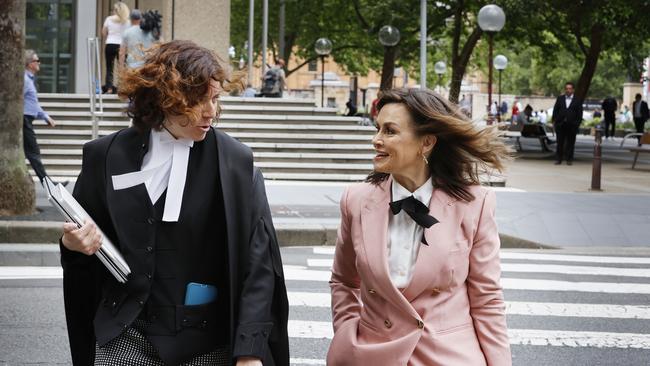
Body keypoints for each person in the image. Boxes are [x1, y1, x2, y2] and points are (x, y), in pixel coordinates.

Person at [59, 40, 289, 366]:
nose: (210, 112)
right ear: (165, 97)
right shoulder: (106, 156)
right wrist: (72, 242)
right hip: (125, 335)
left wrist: (250, 351)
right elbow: (82, 242)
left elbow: (258, 269)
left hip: (207, 342)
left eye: (215, 99)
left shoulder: (235, 165)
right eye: (197, 100)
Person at [327, 88, 512, 366]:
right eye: (377, 129)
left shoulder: (475, 204)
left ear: (425, 143)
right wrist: (347, 331)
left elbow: (487, 300)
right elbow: (343, 280)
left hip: (446, 357)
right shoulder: (356, 200)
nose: (376, 140)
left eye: (389, 131)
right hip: (372, 355)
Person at [23, 49, 67, 187]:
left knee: (31, 153)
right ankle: (48, 184)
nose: (39, 63)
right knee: (33, 153)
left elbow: (33, 103)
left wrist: (45, 117)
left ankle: (46, 182)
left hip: (27, 119)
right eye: (37, 60)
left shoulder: (28, 79)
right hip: (23, 120)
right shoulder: (24, 80)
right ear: (30, 63)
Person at [102, 1, 130, 94]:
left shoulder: (109, 19)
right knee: (122, 67)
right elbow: (128, 35)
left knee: (109, 67)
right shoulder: (127, 21)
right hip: (121, 46)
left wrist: (109, 37)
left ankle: (109, 88)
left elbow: (104, 33)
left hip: (110, 44)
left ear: (115, 10)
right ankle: (121, 87)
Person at [552, 82, 583, 165]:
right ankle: (558, 159)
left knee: (571, 143)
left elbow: (579, 113)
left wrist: (577, 124)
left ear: (573, 90)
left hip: (572, 125)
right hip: (560, 124)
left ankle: (569, 159)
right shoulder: (560, 98)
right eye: (567, 88)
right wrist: (555, 121)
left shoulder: (577, 100)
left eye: (570, 88)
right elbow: (555, 110)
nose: (568, 90)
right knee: (560, 142)